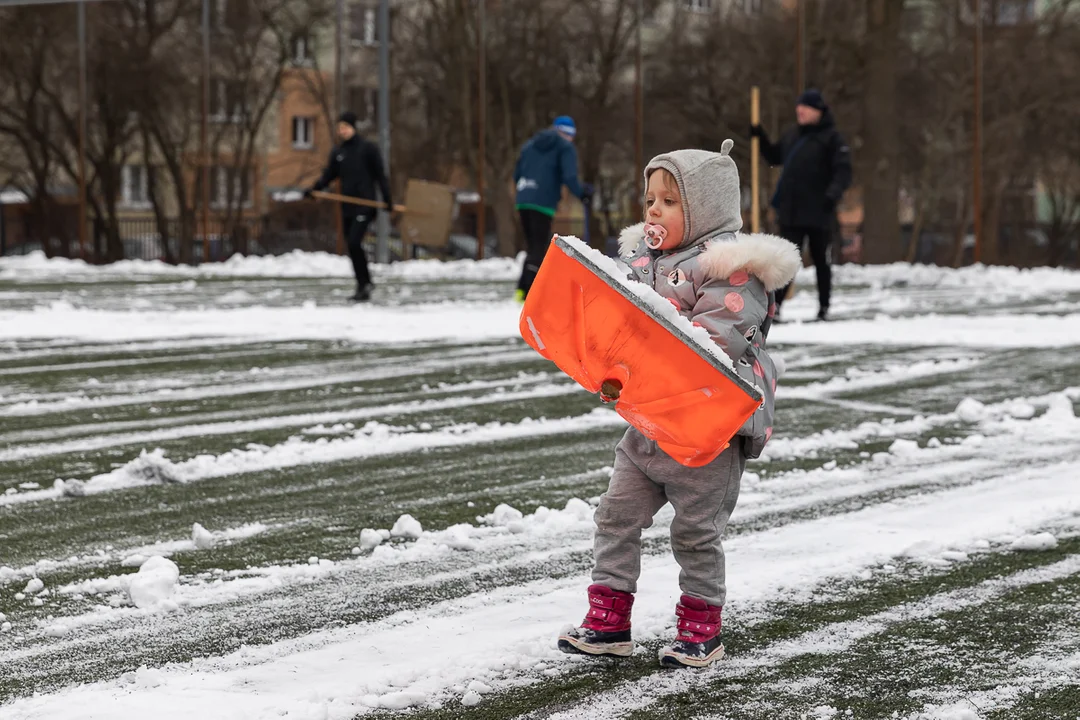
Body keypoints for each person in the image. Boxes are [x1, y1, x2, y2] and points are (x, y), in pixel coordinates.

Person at [557, 142, 800, 668]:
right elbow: (617, 332)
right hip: (649, 423)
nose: (652, 210)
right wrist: (609, 369)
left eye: (667, 201)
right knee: (615, 514)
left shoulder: (735, 270)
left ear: (705, 210)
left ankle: (700, 626)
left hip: (707, 429)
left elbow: (716, 339)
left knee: (695, 531)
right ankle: (609, 619)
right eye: (649, 200)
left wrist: (649, 330)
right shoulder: (640, 265)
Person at [751, 88, 852, 321]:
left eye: (805, 107)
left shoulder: (832, 139)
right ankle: (775, 308)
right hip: (792, 211)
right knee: (787, 260)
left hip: (819, 210)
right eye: (799, 107)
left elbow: (843, 172)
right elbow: (775, 157)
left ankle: (824, 307)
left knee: (820, 260)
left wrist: (832, 195)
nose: (800, 111)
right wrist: (760, 137)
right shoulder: (792, 135)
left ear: (818, 111)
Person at [305, 111, 392, 303]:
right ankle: (363, 285)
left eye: (345, 127)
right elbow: (329, 175)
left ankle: (365, 283)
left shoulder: (368, 149)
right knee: (352, 247)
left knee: (354, 242)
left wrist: (387, 199)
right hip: (348, 207)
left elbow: (380, 175)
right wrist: (313, 190)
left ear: (353, 127)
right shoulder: (339, 153)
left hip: (365, 206)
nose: (342, 131)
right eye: (340, 127)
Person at [513, 115, 593, 302]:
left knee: (533, 245)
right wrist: (582, 194)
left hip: (523, 198)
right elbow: (569, 176)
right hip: (543, 201)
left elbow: (517, 174)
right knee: (539, 246)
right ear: (569, 134)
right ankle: (529, 291)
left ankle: (522, 289)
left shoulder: (529, 145)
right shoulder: (565, 147)